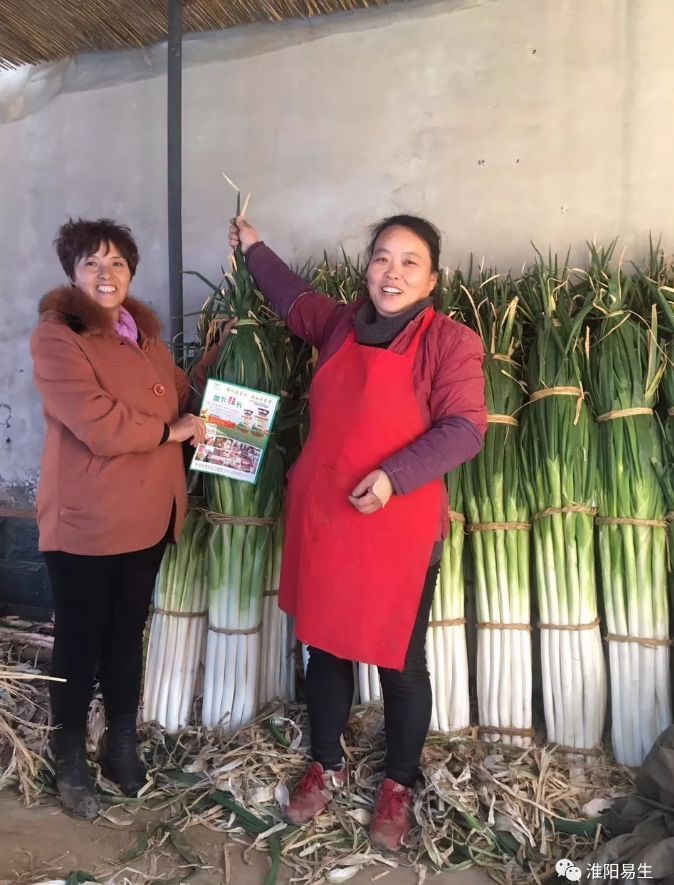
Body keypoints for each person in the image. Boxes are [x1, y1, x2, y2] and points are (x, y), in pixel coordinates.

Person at [228, 213, 487, 850]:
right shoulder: (340, 323)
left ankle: (398, 783)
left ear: (432, 279)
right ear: (367, 267)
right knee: (325, 648)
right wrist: (254, 248)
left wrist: (395, 477)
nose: (391, 273)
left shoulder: (449, 342)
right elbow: (292, 298)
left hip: (399, 524)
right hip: (327, 515)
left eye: (409, 262)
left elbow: (464, 429)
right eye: (381, 258)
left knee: (401, 661)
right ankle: (327, 764)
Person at [31, 218, 233, 820]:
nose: (106, 274)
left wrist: (220, 356)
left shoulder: (142, 337)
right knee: (79, 638)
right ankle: (69, 755)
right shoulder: (58, 337)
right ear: (72, 273)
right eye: (91, 263)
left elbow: (178, 394)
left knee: (125, 634)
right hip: (88, 521)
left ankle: (121, 742)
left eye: (117, 263)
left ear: (130, 273)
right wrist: (172, 432)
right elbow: (97, 422)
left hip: (148, 515)